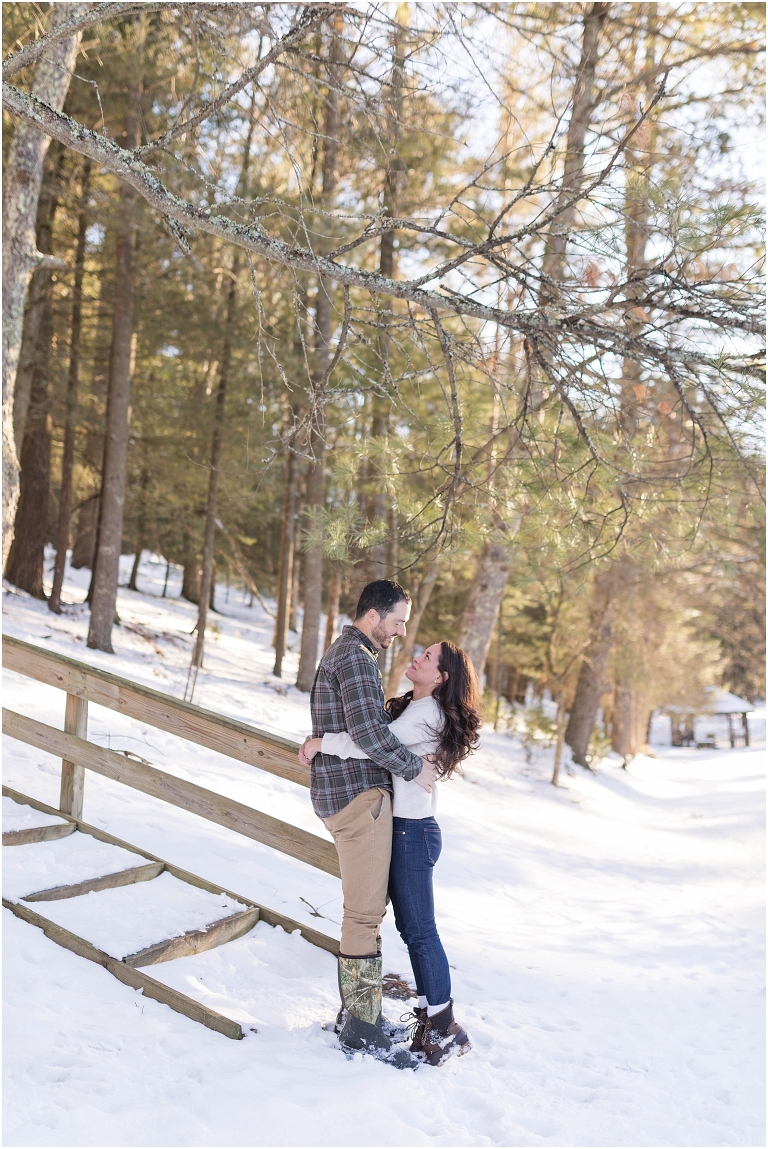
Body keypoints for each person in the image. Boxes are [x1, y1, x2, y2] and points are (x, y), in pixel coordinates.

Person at [302, 638, 481, 1067]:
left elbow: (373, 744)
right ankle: (430, 1019)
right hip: (404, 830)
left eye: (428, 657)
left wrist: (321, 743)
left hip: (412, 834)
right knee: (409, 928)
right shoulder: (414, 708)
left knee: (420, 931)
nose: (416, 656)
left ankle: (445, 1028)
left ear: (441, 677)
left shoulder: (427, 714)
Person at [298, 580, 438, 1068]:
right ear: (374, 616)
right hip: (359, 798)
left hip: (347, 795)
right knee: (363, 914)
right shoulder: (357, 658)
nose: (400, 632)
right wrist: (416, 768)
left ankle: (357, 1012)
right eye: (397, 621)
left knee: (365, 910)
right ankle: (360, 1026)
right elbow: (372, 737)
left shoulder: (348, 654)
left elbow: (353, 729)